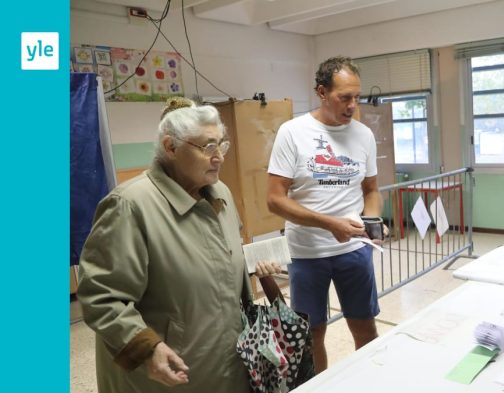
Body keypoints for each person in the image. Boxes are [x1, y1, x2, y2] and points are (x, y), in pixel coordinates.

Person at [77, 97, 281, 393]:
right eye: (207, 147)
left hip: (228, 361)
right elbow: (100, 297)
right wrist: (147, 349)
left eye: (221, 145)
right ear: (171, 147)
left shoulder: (219, 192)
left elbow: (218, 259)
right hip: (170, 377)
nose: (219, 157)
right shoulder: (130, 206)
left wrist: (254, 269)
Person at [267, 56, 383, 372]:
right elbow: (275, 200)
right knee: (311, 335)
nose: (352, 105)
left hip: (354, 252)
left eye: (357, 97)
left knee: (365, 328)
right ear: (321, 92)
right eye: (344, 97)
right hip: (306, 254)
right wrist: (328, 223)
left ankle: (371, 382)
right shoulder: (292, 133)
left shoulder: (363, 135)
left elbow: (371, 189)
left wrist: (372, 221)